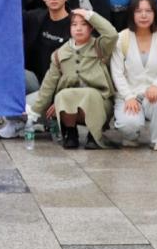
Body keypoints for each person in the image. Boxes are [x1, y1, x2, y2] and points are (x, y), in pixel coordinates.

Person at [28, 8, 118, 150]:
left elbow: (112, 34)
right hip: (72, 105)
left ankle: (94, 135)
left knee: (90, 94)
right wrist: (35, 111)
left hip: (99, 103)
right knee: (61, 96)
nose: (78, 28)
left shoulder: (100, 46)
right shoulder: (59, 53)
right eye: (74, 25)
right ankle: (70, 133)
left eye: (83, 24)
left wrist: (90, 15)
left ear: (91, 28)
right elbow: (48, 84)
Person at [0, 0, 72, 140]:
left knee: (19, 108)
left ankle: (50, 120)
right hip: (37, 82)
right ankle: (17, 123)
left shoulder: (75, 24)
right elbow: (8, 12)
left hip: (61, 87)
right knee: (8, 74)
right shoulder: (36, 18)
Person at [110, 0, 157, 150]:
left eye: (148, 11)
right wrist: (128, 96)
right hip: (129, 94)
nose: (144, 15)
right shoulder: (122, 38)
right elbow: (117, 73)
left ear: (155, 14)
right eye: (138, 11)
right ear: (132, 14)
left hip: (155, 92)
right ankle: (131, 136)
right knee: (129, 124)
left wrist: (156, 85)